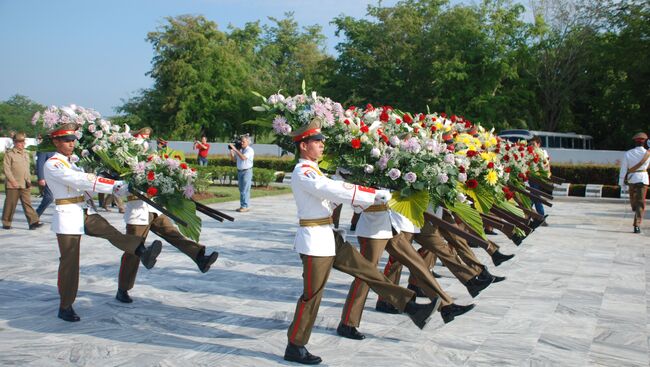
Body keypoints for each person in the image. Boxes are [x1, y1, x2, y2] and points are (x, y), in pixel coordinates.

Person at [284, 119, 436, 365]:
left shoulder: (315, 171)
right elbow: (331, 191)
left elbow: (333, 198)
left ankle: (410, 307)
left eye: (321, 141)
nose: (322, 145)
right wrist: (370, 193)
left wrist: (353, 188)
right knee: (312, 295)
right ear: (303, 146)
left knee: (367, 271)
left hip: (329, 237)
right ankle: (295, 345)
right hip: (314, 242)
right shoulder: (303, 172)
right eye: (317, 141)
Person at [43, 123, 163, 322]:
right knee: (70, 262)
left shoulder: (72, 162)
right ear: (56, 142)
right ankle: (65, 305)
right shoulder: (53, 164)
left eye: (73, 140)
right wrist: (114, 186)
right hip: (67, 214)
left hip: (84, 210)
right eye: (66, 140)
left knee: (110, 232)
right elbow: (81, 180)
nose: (71, 143)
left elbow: (87, 183)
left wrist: (113, 180)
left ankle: (141, 251)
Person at [115, 128, 219, 304]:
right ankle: (123, 289)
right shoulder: (124, 162)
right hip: (137, 210)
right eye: (142, 140)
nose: (145, 144)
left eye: (147, 140)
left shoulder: (153, 159)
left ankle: (199, 257)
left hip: (153, 207)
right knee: (133, 249)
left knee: (173, 233)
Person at [2, 132, 42, 230]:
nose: (22, 144)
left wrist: (29, 181)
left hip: (25, 183)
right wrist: (12, 181)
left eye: (23, 142)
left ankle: (33, 222)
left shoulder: (26, 153)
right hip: (13, 184)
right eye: (20, 142)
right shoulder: (10, 154)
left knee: (27, 203)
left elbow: (26, 169)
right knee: (10, 204)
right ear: (15, 143)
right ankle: (6, 223)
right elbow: (6, 169)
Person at [619, 132, 650, 233]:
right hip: (643, 179)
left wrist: (621, 182)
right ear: (644, 142)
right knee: (638, 203)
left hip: (632, 179)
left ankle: (637, 224)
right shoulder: (648, 154)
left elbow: (623, 169)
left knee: (637, 202)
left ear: (635, 142)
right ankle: (637, 214)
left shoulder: (628, 153)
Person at [229, 134, 254, 212]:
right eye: (241, 141)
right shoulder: (240, 150)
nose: (241, 143)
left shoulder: (250, 150)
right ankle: (243, 205)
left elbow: (243, 158)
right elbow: (234, 160)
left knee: (245, 189)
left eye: (243, 142)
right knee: (241, 189)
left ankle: (245, 206)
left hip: (247, 171)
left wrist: (235, 150)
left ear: (248, 142)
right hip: (240, 171)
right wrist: (232, 152)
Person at [529, 136, 549, 224]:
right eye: (531, 144)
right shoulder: (529, 152)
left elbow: (547, 164)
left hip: (539, 177)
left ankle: (532, 215)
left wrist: (547, 175)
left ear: (538, 144)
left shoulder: (543, 153)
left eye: (534, 144)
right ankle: (538, 216)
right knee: (535, 196)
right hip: (531, 177)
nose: (532, 146)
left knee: (535, 196)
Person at [35, 149, 56, 217]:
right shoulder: (44, 148)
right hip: (48, 177)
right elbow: (40, 163)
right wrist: (41, 178)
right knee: (49, 198)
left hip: (59, 177)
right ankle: (35, 216)